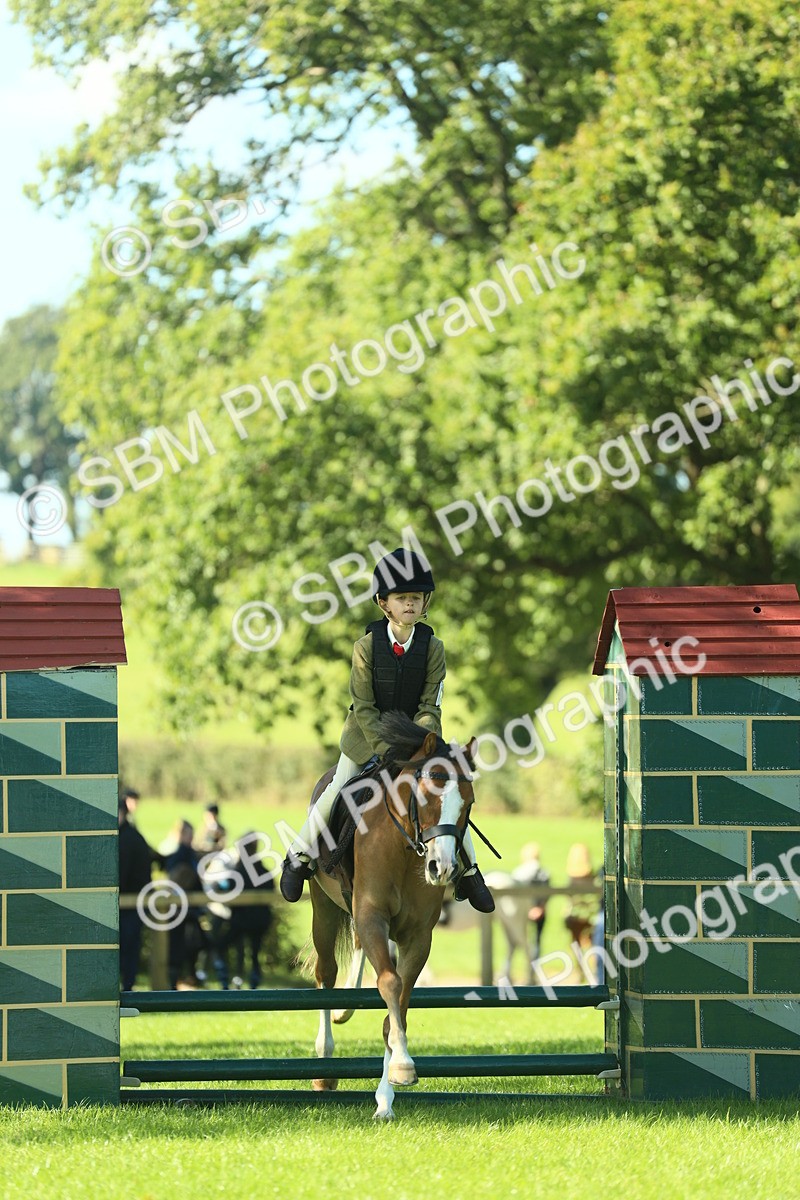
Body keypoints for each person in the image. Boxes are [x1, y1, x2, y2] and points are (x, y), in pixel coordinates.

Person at [279, 547, 494, 912]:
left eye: (416, 598)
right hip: (365, 740)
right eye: (401, 598)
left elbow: (431, 704)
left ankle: (470, 871)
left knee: (449, 794)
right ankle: (299, 856)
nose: (409, 604)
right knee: (335, 789)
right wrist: (385, 748)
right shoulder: (364, 648)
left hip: (417, 742)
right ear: (384, 603)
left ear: (425, 603)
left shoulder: (434, 648)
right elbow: (364, 708)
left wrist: (421, 744)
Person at [117, 799, 163, 990]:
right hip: (138, 900)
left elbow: (122, 873)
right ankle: (128, 985)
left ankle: (127, 987)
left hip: (130, 902)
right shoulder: (134, 836)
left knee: (125, 946)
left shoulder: (125, 839)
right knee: (130, 946)